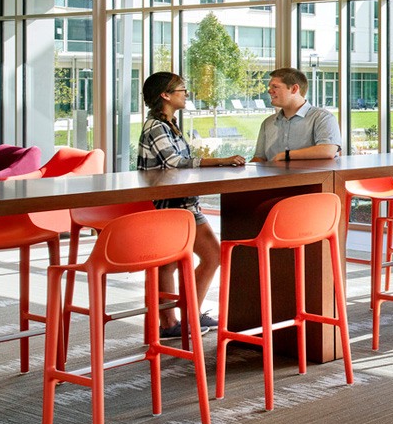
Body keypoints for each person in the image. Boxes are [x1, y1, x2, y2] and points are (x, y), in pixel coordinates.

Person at [135, 72, 243, 340]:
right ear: (166, 95)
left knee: (171, 264)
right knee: (212, 256)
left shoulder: (168, 124)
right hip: (172, 208)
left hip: (180, 204)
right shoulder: (155, 127)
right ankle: (185, 316)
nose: (186, 93)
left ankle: (173, 321)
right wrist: (220, 161)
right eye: (182, 90)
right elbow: (174, 162)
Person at [253, 68, 342, 164]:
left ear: (294, 89)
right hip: (274, 179)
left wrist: (285, 155)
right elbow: (259, 159)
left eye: (275, 87)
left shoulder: (322, 118)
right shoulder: (268, 123)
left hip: (311, 179)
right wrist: (238, 166)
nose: (270, 91)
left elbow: (328, 151)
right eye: (269, 87)